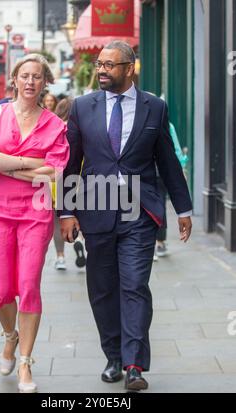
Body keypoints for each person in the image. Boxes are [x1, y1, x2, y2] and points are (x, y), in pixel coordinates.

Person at [59, 41, 192, 391]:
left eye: (109, 65)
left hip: (140, 212)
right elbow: (70, 164)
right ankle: (113, 356)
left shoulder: (155, 107)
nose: (102, 70)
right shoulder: (82, 108)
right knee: (103, 289)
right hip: (96, 209)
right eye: (99, 64)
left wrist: (184, 208)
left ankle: (134, 364)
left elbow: (167, 160)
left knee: (135, 285)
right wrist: (66, 211)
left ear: (129, 69)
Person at [0, 54, 69, 393]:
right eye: (24, 75)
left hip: (35, 211)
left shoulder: (55, 125)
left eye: (37, 77)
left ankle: (25, 362)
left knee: (28, 285)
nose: (30, 82)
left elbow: (54, 169)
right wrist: (28, 163)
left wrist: (5, 164)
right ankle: (10, 335)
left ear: (45, 82)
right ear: (14, 79)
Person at [53, 98, 86, 270]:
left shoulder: (55, 129)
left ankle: (60, 257)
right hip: (79, 180)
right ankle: (79, 239)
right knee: (79, 217)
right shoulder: (82, 128)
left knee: (57, 221)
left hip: (54, 182)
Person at [154, 119, 189, 260]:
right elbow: (175, 148)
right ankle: (160, 243)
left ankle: (150, 246)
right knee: (159, 206)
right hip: (160, 171)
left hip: (140, 174)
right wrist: (181, 168)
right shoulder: (166, 123)